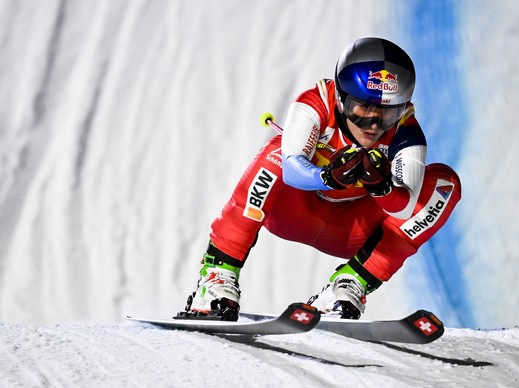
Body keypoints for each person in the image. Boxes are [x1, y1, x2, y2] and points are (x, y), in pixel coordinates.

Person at [180, 37, 462, 321]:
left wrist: (382, 188)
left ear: (403, 107)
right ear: (340, 97)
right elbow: (291, 168)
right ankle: (217, 276)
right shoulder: (315, 103)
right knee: (276, 151)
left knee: (444, 184)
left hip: (354, 230)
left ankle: (350, 285)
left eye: (387, 113)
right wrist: (328, 176)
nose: (374, 124)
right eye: (361, 108)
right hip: (294, 211)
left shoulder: (406, 132)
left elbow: (404, 207)